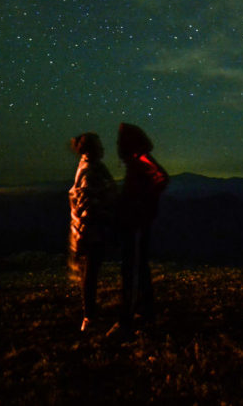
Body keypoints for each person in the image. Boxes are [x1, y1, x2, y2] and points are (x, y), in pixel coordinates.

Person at [113, 123, 169, 332]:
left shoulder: (142, 159)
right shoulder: (136, 161)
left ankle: (130, 318)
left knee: (133, 269)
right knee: (136, 267)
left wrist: (141, 206)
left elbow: (162, 178)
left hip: (136, 224)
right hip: (134, 222)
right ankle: (144, 312)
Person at [68, 132, 116, 332]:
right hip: (90, 230)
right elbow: (88, 202)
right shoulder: (90, 171)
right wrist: (107, 215)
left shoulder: (90, 166)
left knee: (90, 272)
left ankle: (90, 314)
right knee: (90, 273)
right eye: (99, 145)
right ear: (91, 149)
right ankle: (89, 317)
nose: (103, 148)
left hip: (88, 229)